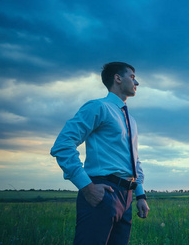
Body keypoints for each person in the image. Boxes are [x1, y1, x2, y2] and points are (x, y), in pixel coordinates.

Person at [50, 62, 149, 245]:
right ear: (118, 78)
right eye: (133, 77)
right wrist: (86, 186)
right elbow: (63, 144)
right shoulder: (98, 107)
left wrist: (140, 195)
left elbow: (135, 161)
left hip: (127, 197)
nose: (137, 83)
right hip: (103, 192)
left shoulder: (131, 120)